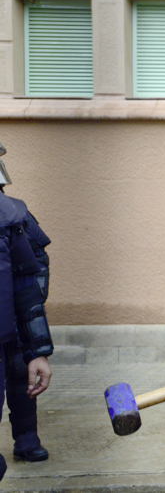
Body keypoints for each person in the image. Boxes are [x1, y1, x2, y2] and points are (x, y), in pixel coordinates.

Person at [0, 142, 54, 478]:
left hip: (11, 327)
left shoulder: (12, 214)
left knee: (21, 374)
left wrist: (36, 341)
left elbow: (31, 268)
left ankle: (27, 436)